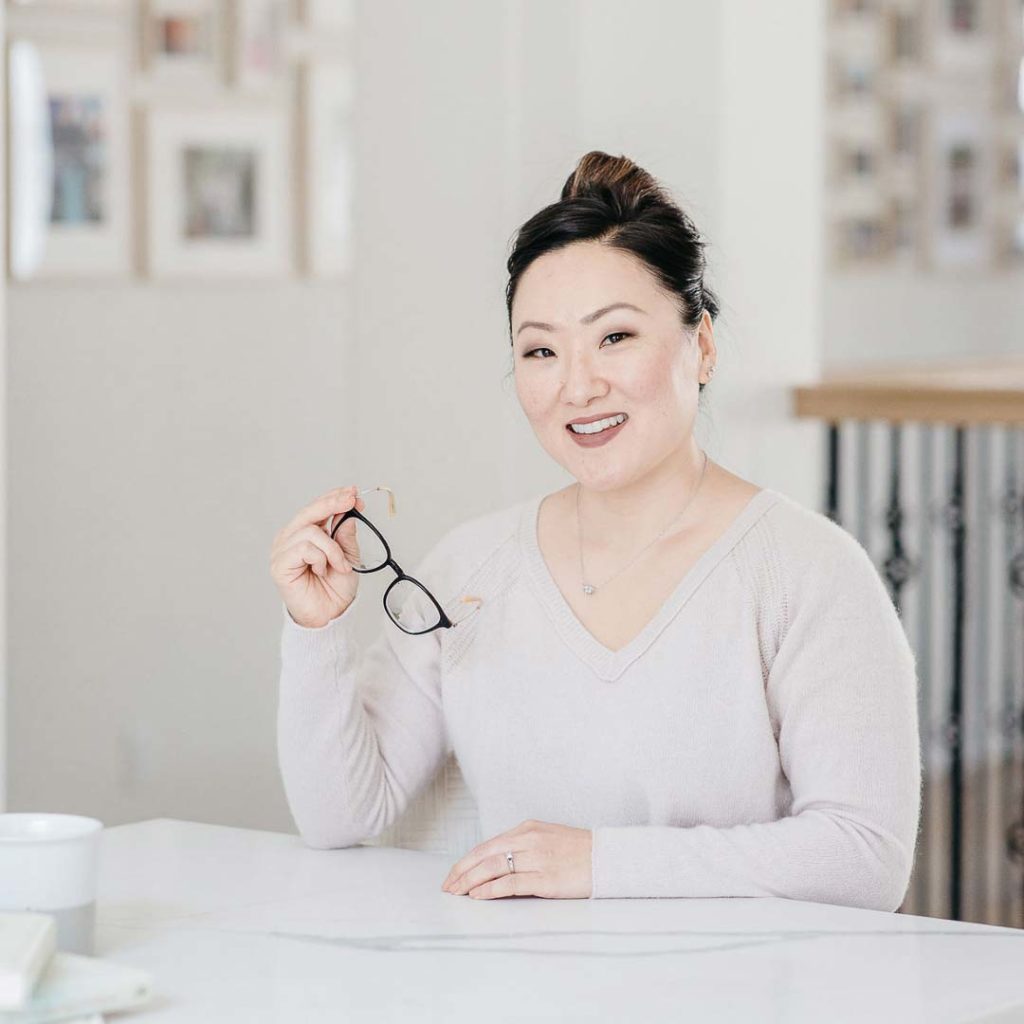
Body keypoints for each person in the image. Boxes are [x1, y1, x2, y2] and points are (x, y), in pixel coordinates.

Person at [270, 151, 922, 910]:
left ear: (700, 345)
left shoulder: (807, 573)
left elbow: (866, 858)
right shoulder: (468, 567)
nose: (578, 386)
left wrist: (600, 866)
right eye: (541, 350)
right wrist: (316, 633)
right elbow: (339, 816)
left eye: (614, 337)